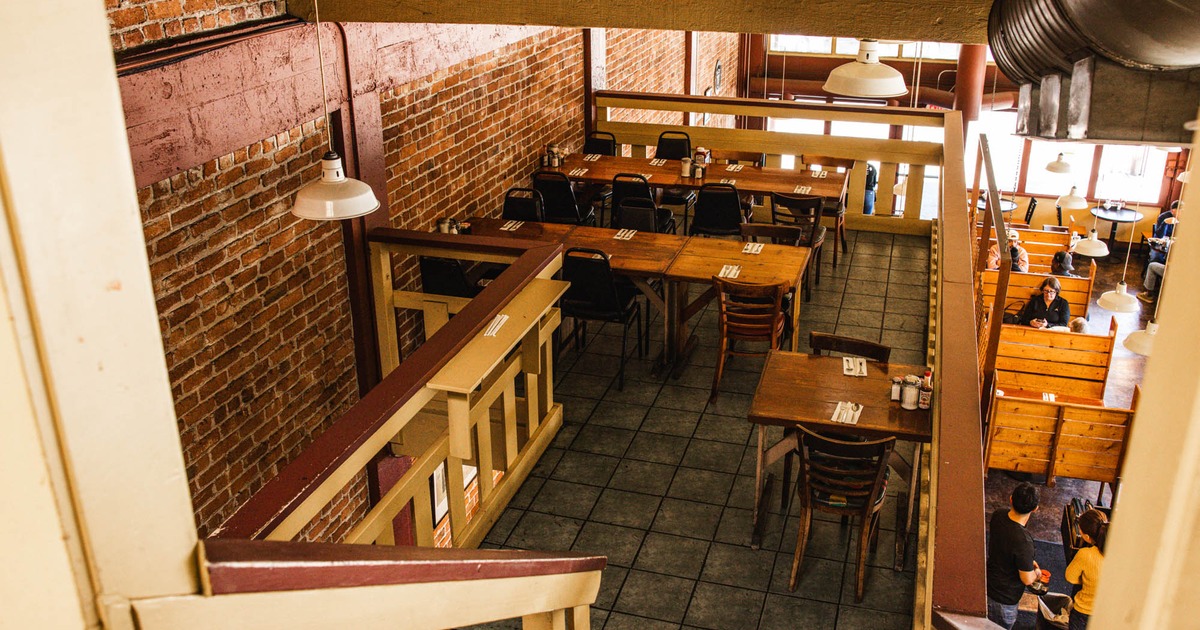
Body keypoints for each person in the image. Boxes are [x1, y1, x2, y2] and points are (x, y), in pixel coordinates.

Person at [987, 482, 1042, 629]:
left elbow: (1006, 547)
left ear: (1011, 499)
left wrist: (1027, 561)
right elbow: (1027, 579)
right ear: (1035, 508)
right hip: (1004, 600)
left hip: (988, 584)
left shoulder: (998, 515)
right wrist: (1036, 573)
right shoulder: (1024, 542)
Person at [1065, 509, 1108, 630]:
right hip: (1106, 612)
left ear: (1088, 537)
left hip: (1084, 611)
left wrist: (1087, 579)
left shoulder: (1086, 554)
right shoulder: (1120, 552)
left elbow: (1070, 577)